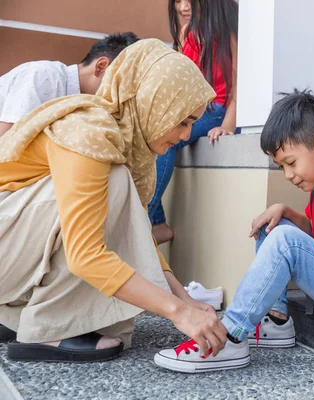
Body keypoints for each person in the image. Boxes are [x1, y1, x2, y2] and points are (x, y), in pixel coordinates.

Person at [0, 39, 228, 363]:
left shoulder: (123, 141)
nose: (188, 135)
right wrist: (177, 312)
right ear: (153, 102)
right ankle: (47, 329)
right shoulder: (88, 132)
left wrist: (183, 299)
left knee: (118, 188)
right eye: (183, 121)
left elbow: (137, 231)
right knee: (113, 181)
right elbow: (85, 254)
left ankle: (15, 313)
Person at [154, 90, 314, 373]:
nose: (287, 174)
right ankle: (276, 322)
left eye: (291, 162)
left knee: (284, 239)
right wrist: (285, 211)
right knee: (271, 227)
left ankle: (229, 336)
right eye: (281, 166)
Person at [149, 0, 239, 244]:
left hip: (216, 108)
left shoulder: (227, 30)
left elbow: (239, 83)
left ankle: (147, 218)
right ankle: (156, 221)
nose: (183, 7)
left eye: (189, 0)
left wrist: (228, 124)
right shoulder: (185, 31)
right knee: (152, 134)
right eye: (178, 1)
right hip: (189, 110)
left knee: (167, 139)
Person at [0, 32, 139, 138]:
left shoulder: (86, 106)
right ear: (101, 67)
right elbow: (8, 141)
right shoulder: (44, 76)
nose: (123, 94)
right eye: (123, 83)